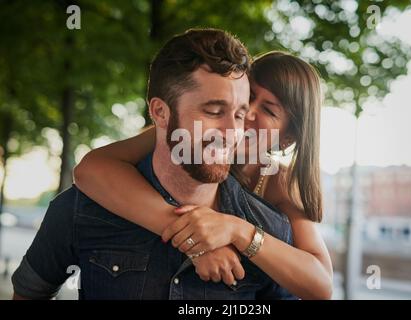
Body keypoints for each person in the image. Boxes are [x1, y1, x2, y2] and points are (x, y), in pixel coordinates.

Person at [11, 28, 298, 300]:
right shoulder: (80, 209)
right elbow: (29, 293)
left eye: (239, 115)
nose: (232, 132)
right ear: (160, 112)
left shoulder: (270, 231)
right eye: (213, 111)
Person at [73, 51, 333, 298]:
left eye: (269, 110)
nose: (246, 113)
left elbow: (320, 283)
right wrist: (194, 239)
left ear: (286, 139)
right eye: (249, 95)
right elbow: (90, 169)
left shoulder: (280, 182)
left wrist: (237, 231)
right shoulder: (188, 134)